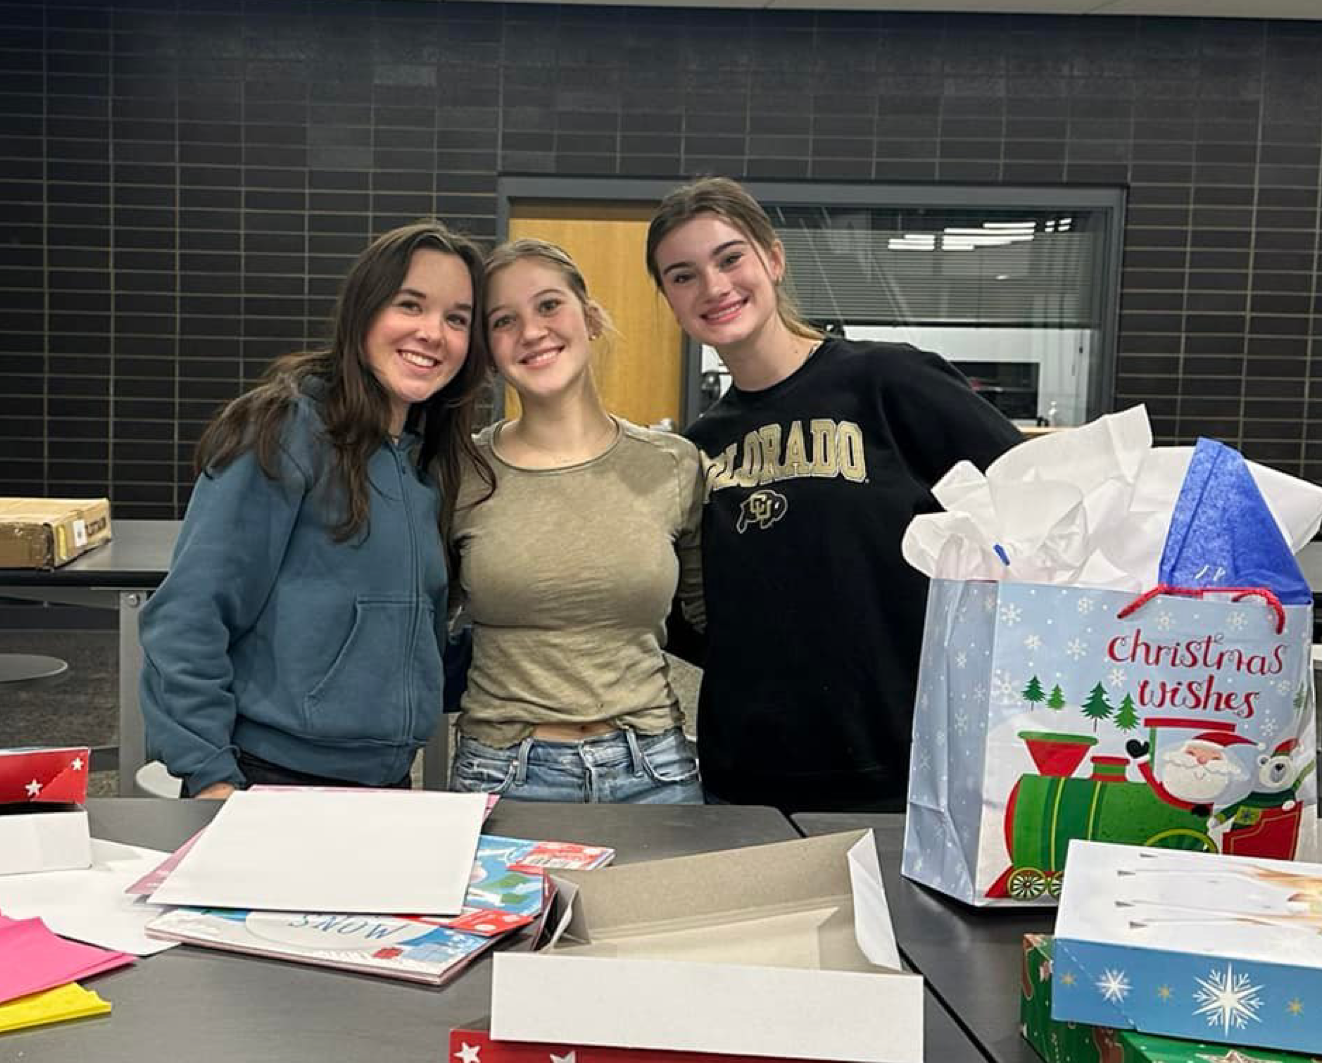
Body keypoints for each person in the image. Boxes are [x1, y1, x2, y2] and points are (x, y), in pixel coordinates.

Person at [646, 177, 1023, 813]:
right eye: (682, 276)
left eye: (729, 258)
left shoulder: (886, 380)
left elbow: (1032, 499)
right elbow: (694, 615)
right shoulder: (697, 449)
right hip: (750, 778)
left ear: (772, 257)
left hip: (903, 766)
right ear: (669, 299)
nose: (713, 287)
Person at [140, 220, 490, 798]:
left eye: (457, 318)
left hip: (387, 783)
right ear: (363, 312)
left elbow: (405, 641)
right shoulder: (282, 428)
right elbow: (189, 615)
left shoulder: (427, 463)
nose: (434, 333)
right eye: (411, 305)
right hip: (268, 780)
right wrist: (209, 778)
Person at [448, 238, 704, 803]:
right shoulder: (461, 472)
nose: (531, 331)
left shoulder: (673, 464)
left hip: (655, 769)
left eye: (547, 306)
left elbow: (713, 620)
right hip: (503, 774)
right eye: (503, 320)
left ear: (588, 319)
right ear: (488, 351)